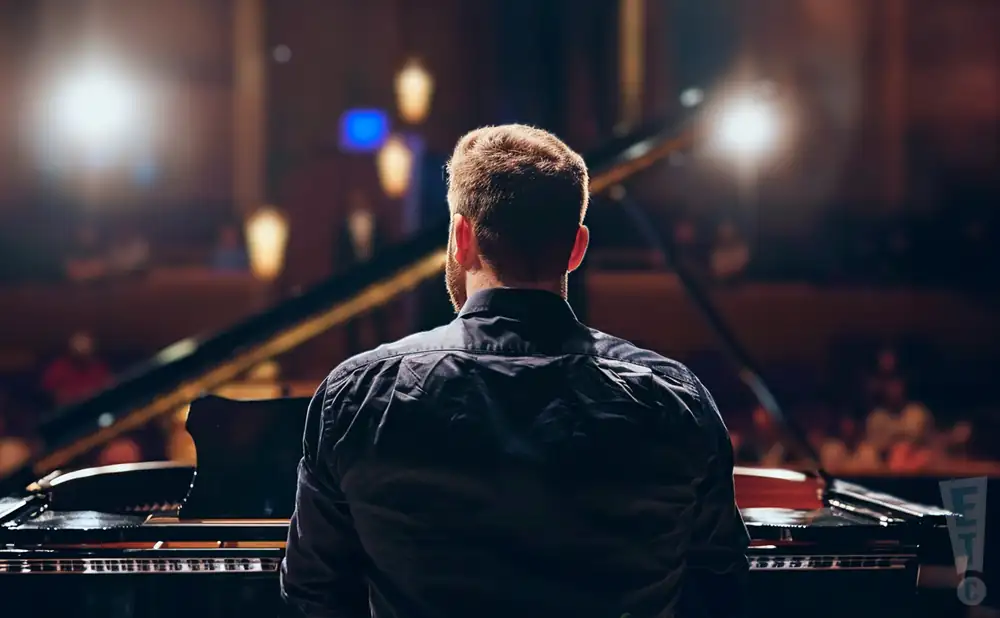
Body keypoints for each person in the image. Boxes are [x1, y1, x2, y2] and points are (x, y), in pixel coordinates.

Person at [281, 125, 749, 618]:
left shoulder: (357, 397)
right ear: (577, 248)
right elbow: (719, 592)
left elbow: (316, 596)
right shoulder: (674, 401)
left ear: (461, 238)